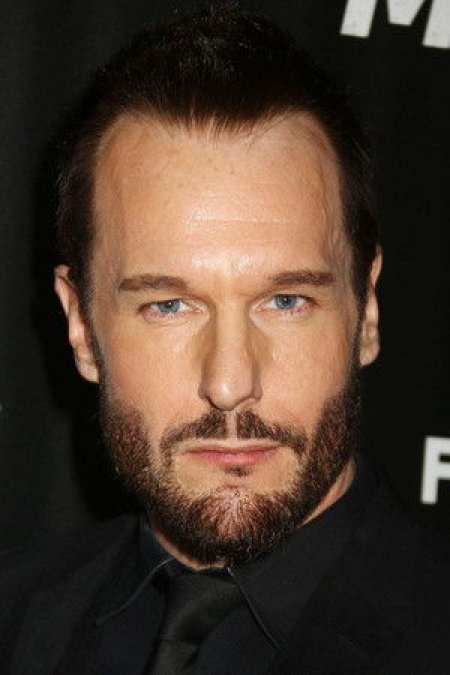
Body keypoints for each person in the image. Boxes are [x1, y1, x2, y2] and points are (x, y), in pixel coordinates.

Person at [1, 5, 449, 674]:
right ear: (81, 325)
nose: (231, 382)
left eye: (286, 300)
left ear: (367, 312)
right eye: (169, 305)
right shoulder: (14, 614)